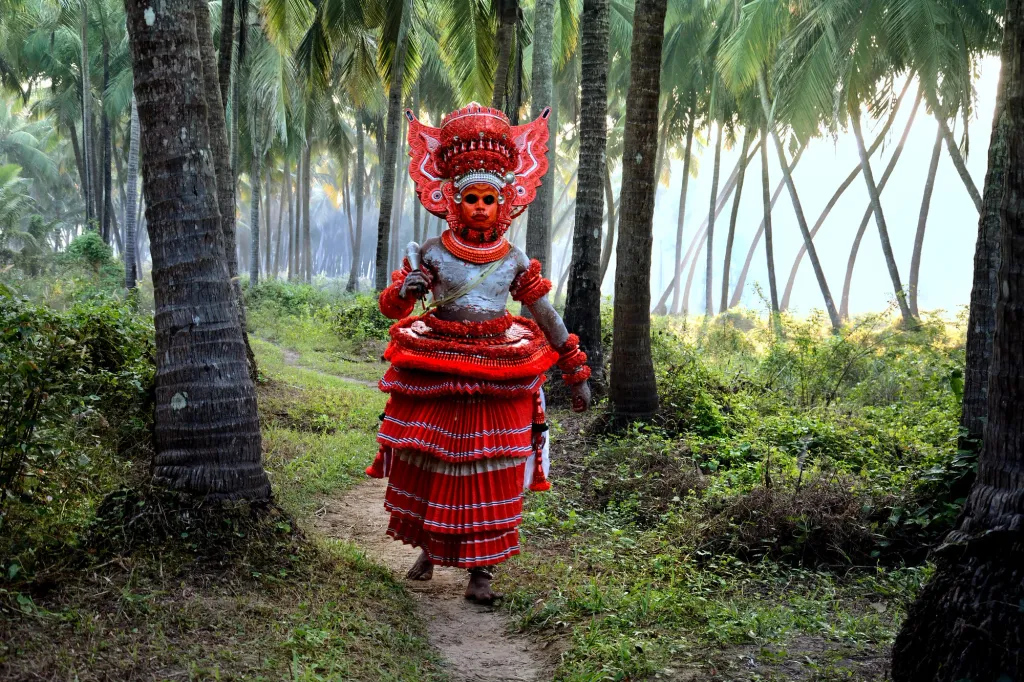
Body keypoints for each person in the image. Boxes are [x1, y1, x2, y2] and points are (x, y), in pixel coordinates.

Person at [365, 102, 592, 604]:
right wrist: (409, 290)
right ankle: (429, 548)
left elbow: (545, 314)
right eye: (472, 198)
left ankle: (481, 573)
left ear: (506, 202)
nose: (482, 207)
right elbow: (388, 306)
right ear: (452, 199)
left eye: (491, 198)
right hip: (438, 365)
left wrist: (575, 367)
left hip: (500, 370)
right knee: (433, 459)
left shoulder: (514, 260)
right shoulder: (430, 252)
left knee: (494, 468)